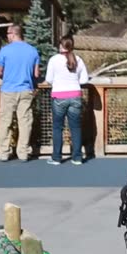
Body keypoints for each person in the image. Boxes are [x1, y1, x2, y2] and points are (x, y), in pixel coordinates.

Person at [0, 24, 40, 162]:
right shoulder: (33, 51)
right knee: (25, 121)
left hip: (8, 90)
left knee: (5, 121)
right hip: (26, 89)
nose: (7, 36)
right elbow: (36, 73)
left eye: (8, 34)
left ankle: (4, 152)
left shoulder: (4, 51)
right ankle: (23, 152)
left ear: (13, 34)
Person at [45, 35, 89, 165]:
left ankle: (56, 157)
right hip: (75, 95)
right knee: (75, 127)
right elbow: (84, 80)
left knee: (58, 127)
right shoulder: (78, 60)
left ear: (61, 45)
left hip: (59, 96)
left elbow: (49, 79)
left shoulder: (54, 60)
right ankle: (77, 157)